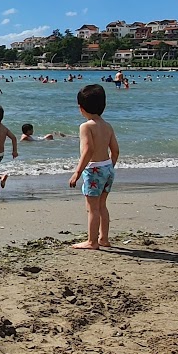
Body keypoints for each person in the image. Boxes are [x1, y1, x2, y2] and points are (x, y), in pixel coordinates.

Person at [68, 84, 119, 250]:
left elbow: (88, 150)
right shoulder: (107, 125)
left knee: (92, 208)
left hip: (94, 169)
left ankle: (92, 241)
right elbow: (116, 150)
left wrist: (77, 172)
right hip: (107, 167)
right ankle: (104, 238)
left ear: (80, 108)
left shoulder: (86, 126)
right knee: (102, 205)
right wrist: (109, 167)